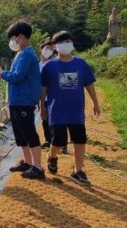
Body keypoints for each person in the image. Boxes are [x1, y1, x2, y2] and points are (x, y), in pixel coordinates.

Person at [40, 31, 100, 185]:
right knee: (58, 141)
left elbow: (89, 84)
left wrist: (95, 102)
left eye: (67, 41)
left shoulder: (81, 63)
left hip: (76, 111)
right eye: (60, 42)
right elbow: (44, 88)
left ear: (72, 43)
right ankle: (52, 156)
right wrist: (42, 106)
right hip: (57, 111)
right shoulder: (49, 66)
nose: (64, 44)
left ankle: (78, 171)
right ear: (54, 47)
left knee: (79, 140)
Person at [0, 20, 45, 180]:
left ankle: (38, 167)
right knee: (20, 134)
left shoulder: (27, 54)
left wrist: (1, 73)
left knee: (29, 133)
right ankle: (27, 162)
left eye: (13, 38)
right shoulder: (21, 53)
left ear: (20, 37)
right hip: (16, 100)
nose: (12, 42)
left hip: (24, 101)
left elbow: (18, 77)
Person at [38, 39, 55, 149]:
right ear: (41, 50)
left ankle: (59, 143)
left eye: (50, 49)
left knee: (55, 119)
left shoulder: (54, 64)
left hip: (53, 96)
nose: (48, 51)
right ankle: (48, 140)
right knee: (44, 118)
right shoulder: (36, 65)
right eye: (46, 48)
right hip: (41, 96)